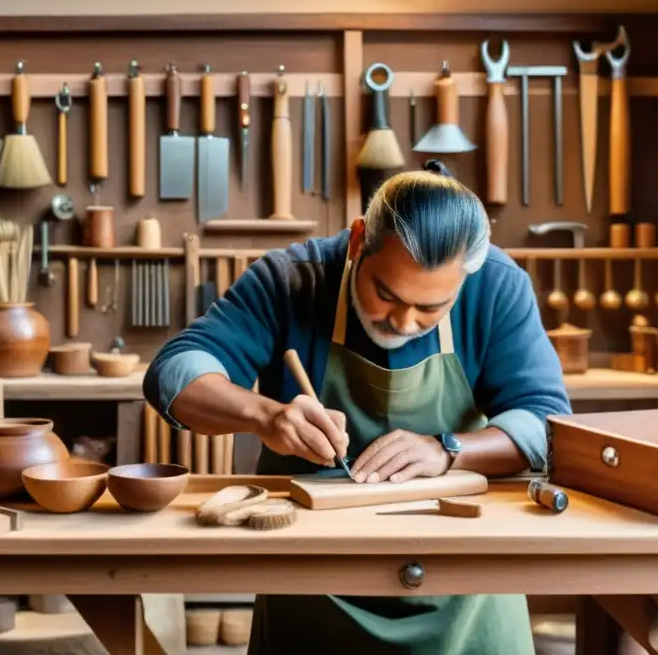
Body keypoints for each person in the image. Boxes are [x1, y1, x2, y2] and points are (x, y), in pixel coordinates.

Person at [143, 160, 572, 655]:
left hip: (463, 590)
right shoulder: (292, 279)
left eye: (432, 309)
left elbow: (546, 420)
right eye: (385, 294)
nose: (405, 322)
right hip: (311, 588)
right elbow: (173, 372)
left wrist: (450, 450)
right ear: (357, 241)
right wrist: (266, 416)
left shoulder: (496, 285)